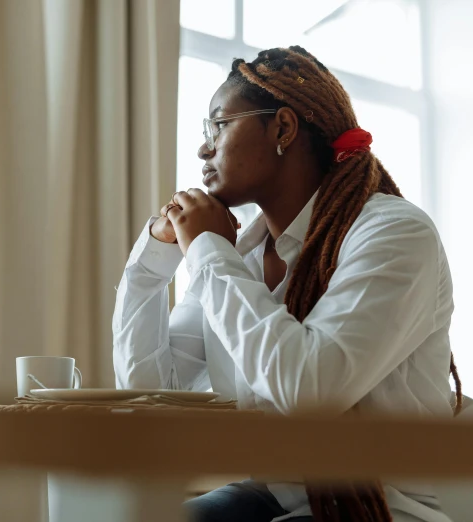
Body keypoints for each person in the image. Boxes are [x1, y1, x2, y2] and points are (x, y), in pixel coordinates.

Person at [112, 46, 461, 522]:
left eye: (218, 125)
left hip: (384, 509)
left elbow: (308, 391)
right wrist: (154, 259)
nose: (203, 148)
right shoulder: (239, 257)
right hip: (276, 496)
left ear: (282, 128)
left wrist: (208, 252)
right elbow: (151, 394)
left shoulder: (394, 234)